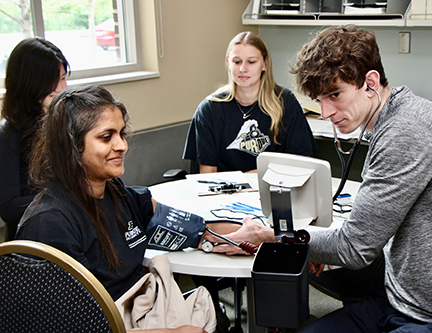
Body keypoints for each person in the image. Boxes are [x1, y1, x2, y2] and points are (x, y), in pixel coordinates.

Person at [285, 24, 432, 332]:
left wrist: (279, 236)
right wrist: (313, 246)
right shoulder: (396, 114)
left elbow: (354, 248)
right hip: (400, 296)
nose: (327, 111)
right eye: (319, 100)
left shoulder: (405, 131)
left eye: (335, 94)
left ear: (370, 82)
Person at [15, 85, 264, 333]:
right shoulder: (49, 224)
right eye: (106, 137)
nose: (122, 145)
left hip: (139, 314)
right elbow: (73, 326)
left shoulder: (118, 195)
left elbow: (190, 226)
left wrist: (245, 234)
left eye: (121, 134)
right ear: (70, 146)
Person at [183, 31, 317, 173]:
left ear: (264, 64)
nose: (243, 69)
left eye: (251, 62)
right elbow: (207, 175)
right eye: (237, 62)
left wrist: (249, 179)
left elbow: (301, 163)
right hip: (226, 193)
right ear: (228, 63)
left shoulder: (285, 101)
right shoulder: (209, 109)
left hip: (275, 189)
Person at [0, 37, 69, 241]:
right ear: (29, 84)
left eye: (63, 78)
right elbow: (9, 208)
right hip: (33, 244)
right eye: (51, 81)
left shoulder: (64, 123)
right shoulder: (7, 136)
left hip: (68, 231)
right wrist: (68, 199)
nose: (60, 88)